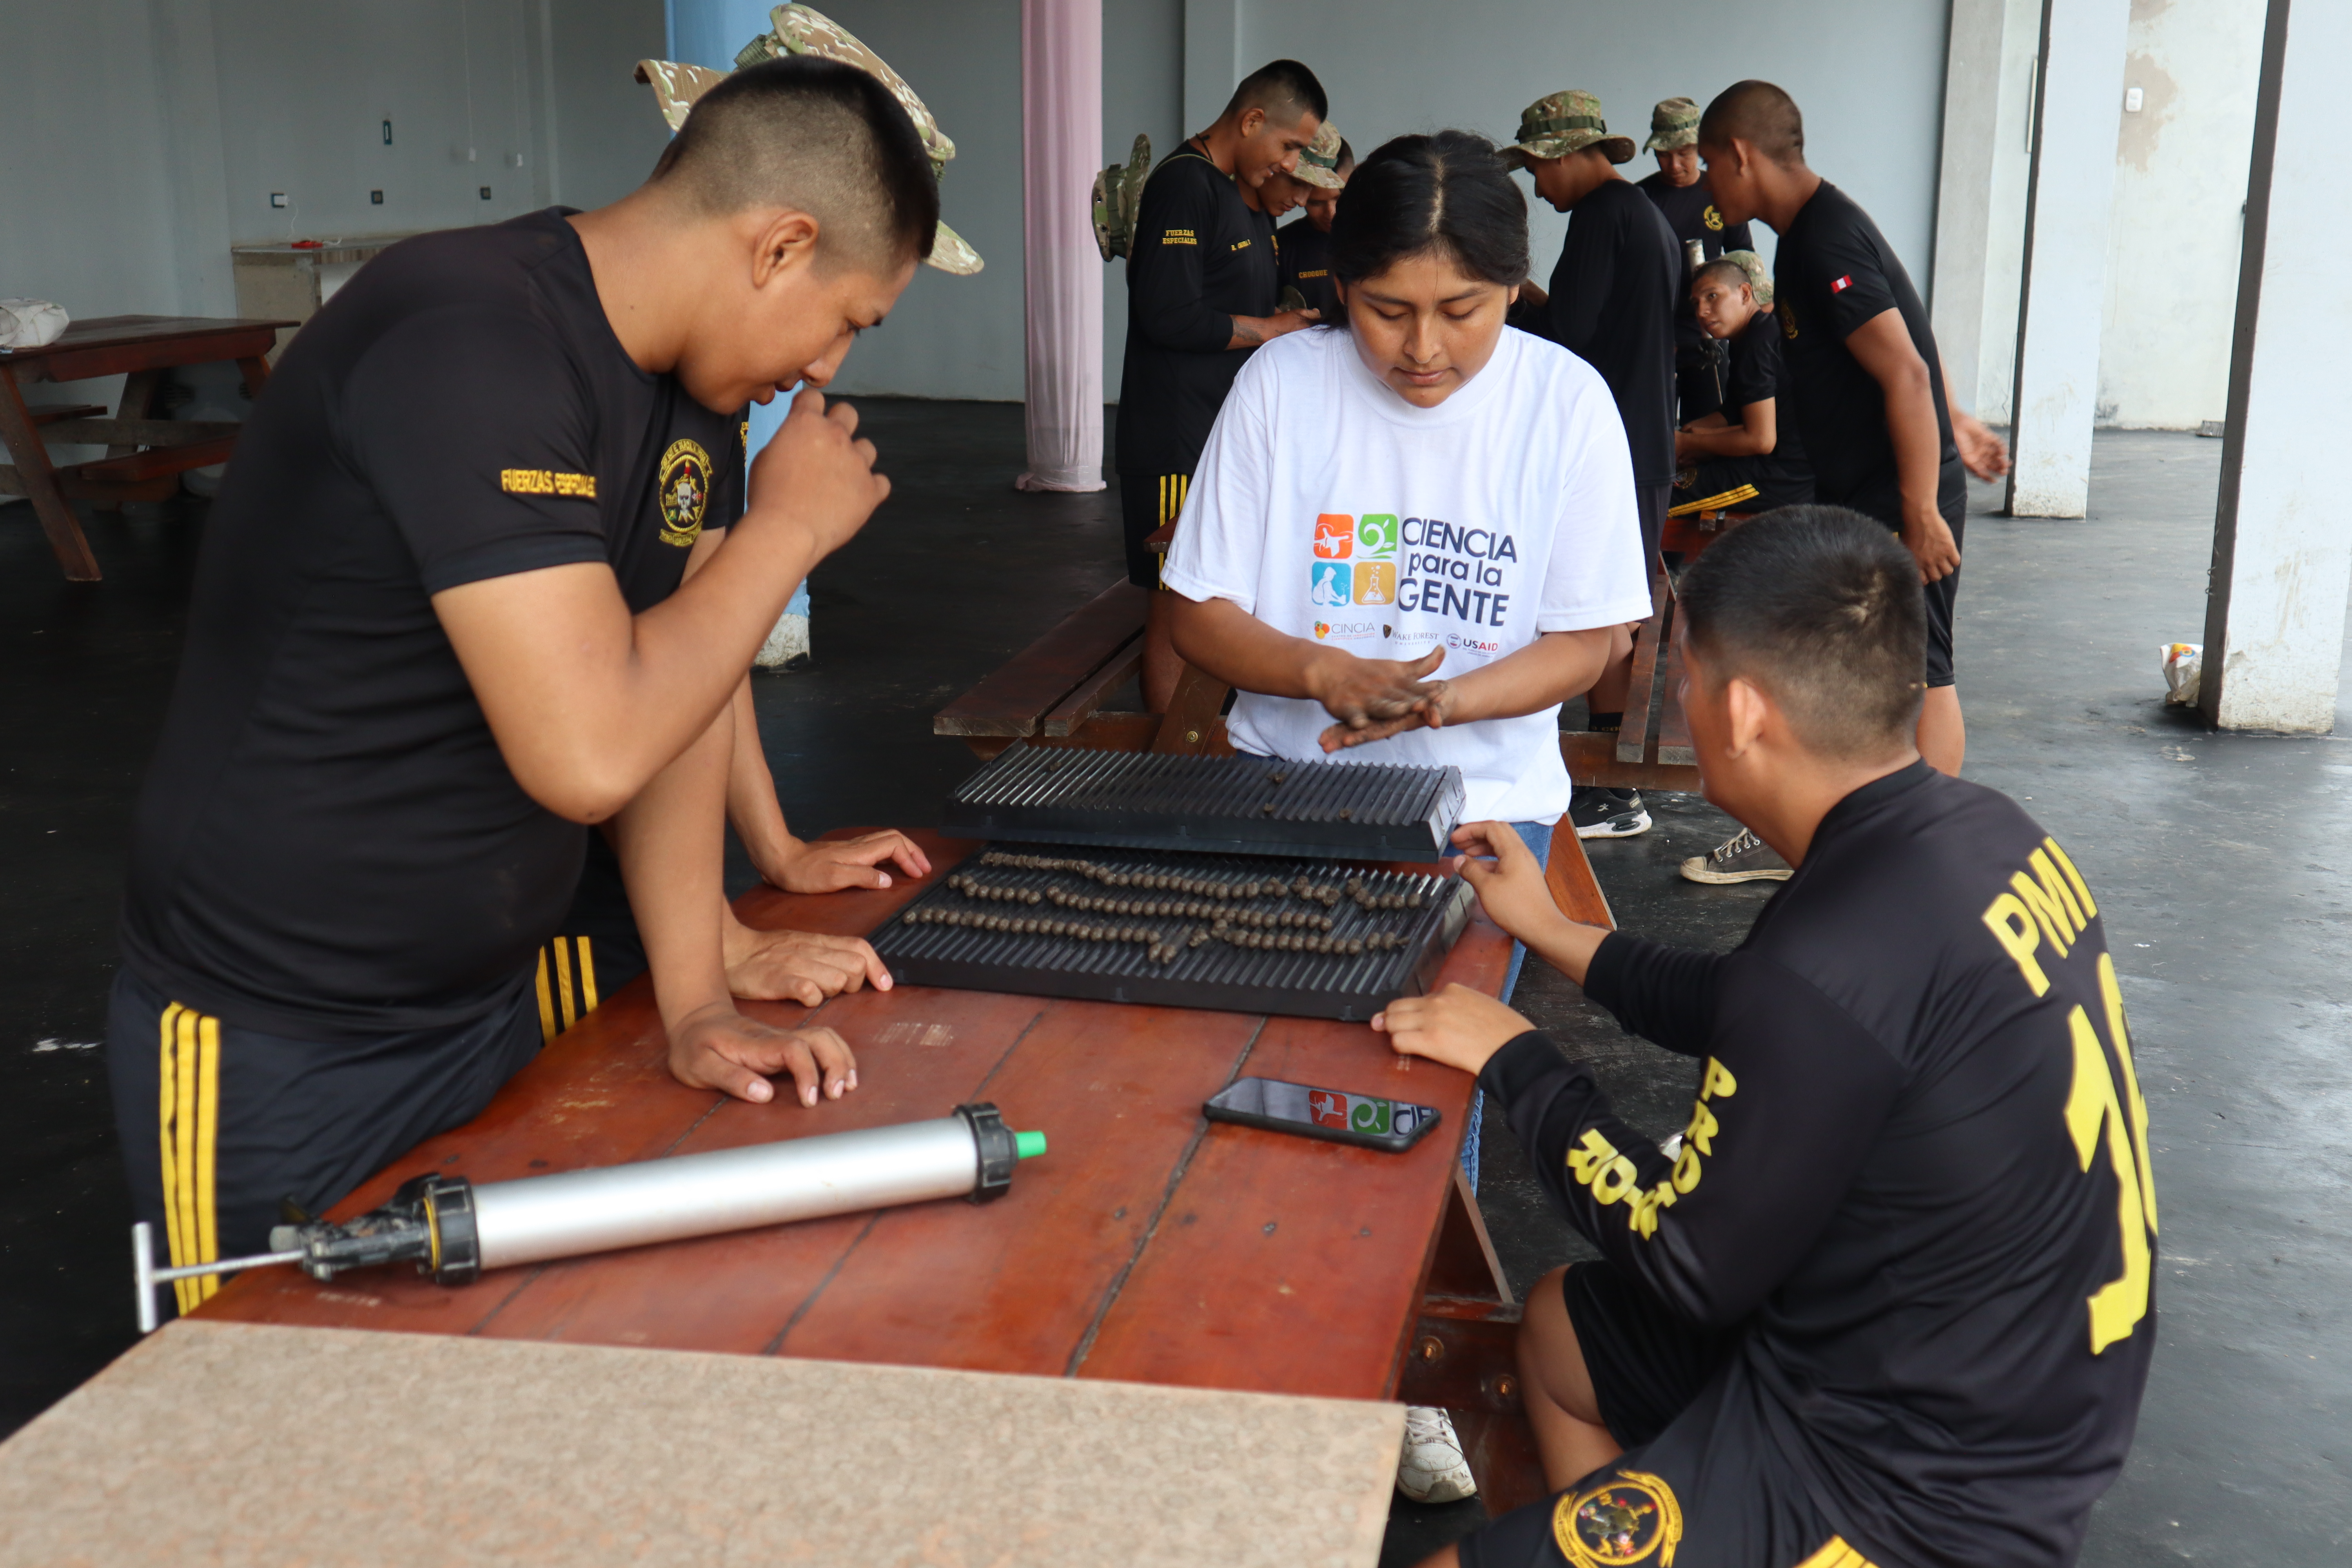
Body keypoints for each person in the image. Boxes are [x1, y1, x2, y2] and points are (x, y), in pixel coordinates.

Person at [111, 56, 934, 1315]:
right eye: (849, 319)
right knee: (276, 1431)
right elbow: (591, 747)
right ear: (779, 245)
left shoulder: (691, 394)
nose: (824, 368)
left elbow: (680, 690)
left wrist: (697, 996)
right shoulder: (472, 337)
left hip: (495, 998)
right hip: (286, 1030)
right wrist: (785, 537)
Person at [1381, 508, 2155, 1568]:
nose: (1678, 699)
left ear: (1741, 712)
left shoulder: (1832, 957)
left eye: (1683, 675)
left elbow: (1691, 1258)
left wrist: (1517, 1060)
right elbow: (1761, 1006)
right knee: (1563, 1326)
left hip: (1906, 1488)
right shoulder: (1977, 835)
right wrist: (1558, 933)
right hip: (2019, 1394)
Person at [1160, 129, 1650, 1508]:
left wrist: (1441, 708)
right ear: (1339, 288)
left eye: (1461, 313)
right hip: (1285, 800)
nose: (1422, 349)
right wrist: (1321, 671)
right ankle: (1262, 1346)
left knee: (1422, 1106)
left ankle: (1392, 1367)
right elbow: (1196, 610)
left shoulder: (1564, 406)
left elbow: (1594, 635)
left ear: (1515, 289)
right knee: (1250, 1089)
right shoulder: (1282, 387)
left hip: (1477, 822)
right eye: (1387, 310)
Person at [1697, 80, 2009, 777]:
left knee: (1924, 672)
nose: (1712, 186)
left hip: (1899, 495)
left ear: (1741, 155)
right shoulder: (1812, 232)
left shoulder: (1824, 241)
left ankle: (1923, 845)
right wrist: (1954, 419)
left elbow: (1906, 372)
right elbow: (1913, 330)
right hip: (1877, 491)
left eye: (1712, 164)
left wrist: (1922, 509)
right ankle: (1864, 822)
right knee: (1880, 670)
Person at [1117, 59, 1327, 713]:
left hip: (1214, 432)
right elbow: (1168, 313)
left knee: (1213, 592)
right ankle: (1174, 769)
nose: (1292, 166)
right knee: (1174, 602)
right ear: (1253, 120)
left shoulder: (1238, 198)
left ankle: (1201, 746)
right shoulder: (1185, 184)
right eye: (1290, 147)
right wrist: (1269, 331)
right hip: (1174, 436)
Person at [1502, 91, 1680, 842]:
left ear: (1576, 156)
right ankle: (1608, 772)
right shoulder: (1644, 216)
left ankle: (1611, 790)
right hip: (1644, 438)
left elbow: (1567, 334)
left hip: (1619, 442)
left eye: (1541, 170)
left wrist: (1506, 298)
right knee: (1616, 601)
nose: (1539, 188)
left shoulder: (1604, 216)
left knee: (1602, 610)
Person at [1669, 252, 1816, 889]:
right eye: (1695, 302)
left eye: (1711, 298)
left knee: (1660, 500)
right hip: (1775, 468)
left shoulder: (1758, 342)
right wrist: (1681, 432)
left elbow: (1758, 441)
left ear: (1749, 294)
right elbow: (1731, 420)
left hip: (1776, 484)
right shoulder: (1757, 337)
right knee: (1670, 467)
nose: (1701, 311)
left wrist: (1683, 444)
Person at [1636, 97, 1755, 426]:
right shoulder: (1640, 200)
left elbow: (1744, 262)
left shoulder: (1722, 191)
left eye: (1684, 154)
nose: (1674, 164)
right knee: (1654, 437)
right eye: (1664, 155)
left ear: (1699, 148)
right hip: (1656, 341)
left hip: (1712, 339)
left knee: (1710, 432)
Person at [1276, 125, 1352, 319]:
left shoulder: (1383, 238)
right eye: (1316, 203)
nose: (1332, 213)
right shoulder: (1283, 246)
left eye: (1339, 199)